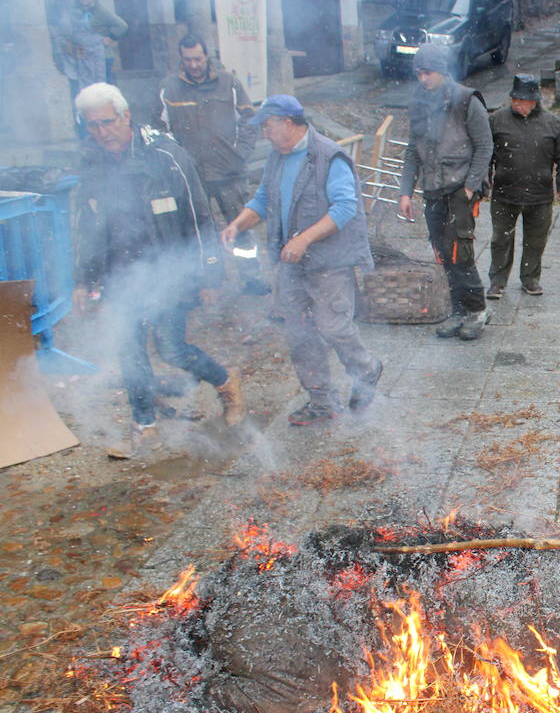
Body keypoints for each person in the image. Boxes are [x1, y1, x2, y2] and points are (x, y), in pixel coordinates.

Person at [69, 83, 243, 459]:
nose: (101, 132)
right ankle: (144, 428)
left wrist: (210, 276)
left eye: (107, 122)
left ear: (126, 115)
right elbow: (87, 228)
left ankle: (226, 383)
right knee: (130, 352)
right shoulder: (92, 165)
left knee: (172, 349)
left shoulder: (167, 157)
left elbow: (198, 219)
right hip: (122, 278)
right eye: (93, 125)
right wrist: (84, 280)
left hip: (169, 274)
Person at [221, 95, 383, 426]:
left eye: (268, 126)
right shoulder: (277, 158)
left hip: (328, 261)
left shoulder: (329, 157)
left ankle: (366, 369)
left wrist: (304, 238)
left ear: (288, 123)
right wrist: (238, 224)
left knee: (333, 326)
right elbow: (263, 199)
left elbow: (344, 208)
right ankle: (322, 400)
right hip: (290, 264)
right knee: (299, 332)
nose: (265, 133)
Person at [156, 34, 268, 296]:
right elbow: (159, 128)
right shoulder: (169, 88)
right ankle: (207, 281)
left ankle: (251, 278)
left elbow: (249, 119)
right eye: (187, 60)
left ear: (207, 56)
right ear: (181, 60)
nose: (193, 64)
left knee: (240, 227)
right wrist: (177, 162)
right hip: (192, 175)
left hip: (229, 172)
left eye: (197, 58)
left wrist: (240, 153)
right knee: (198, 231)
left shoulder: (228, 82)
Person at [398, 43, 494, 340]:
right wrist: (405, 191)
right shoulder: (419, 105)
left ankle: (477, 310)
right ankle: (458, 310)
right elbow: (413, 150)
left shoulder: (466, 100)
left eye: (428, 73)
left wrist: (470, 186)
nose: (423, 79)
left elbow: (485, 145)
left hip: (459, 187)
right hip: (432, 189)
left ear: (442, 71)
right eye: (419, 73)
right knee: (442, 253)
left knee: (460, 251)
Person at [486, 74, 560, 298]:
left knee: (535, 241)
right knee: (500, 239)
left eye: (521, 99)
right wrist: (483, 182)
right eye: (514, 98)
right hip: (505, 192)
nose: (516, 103)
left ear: (533, 101)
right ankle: (497, 281)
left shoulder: (552, 123)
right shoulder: (497, 120)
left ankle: (530, 279)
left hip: (540, 193)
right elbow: (485, 154)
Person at [53, 0, 126, 132]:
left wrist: (109, 38)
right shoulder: (73, 12)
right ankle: (87, 130)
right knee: (84, 96)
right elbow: (65, 35)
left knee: (104, 95)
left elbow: (121, 25)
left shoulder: (99, 10)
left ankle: (112, 126)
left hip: (102, 58)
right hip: (82, 59)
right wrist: (71, 47)